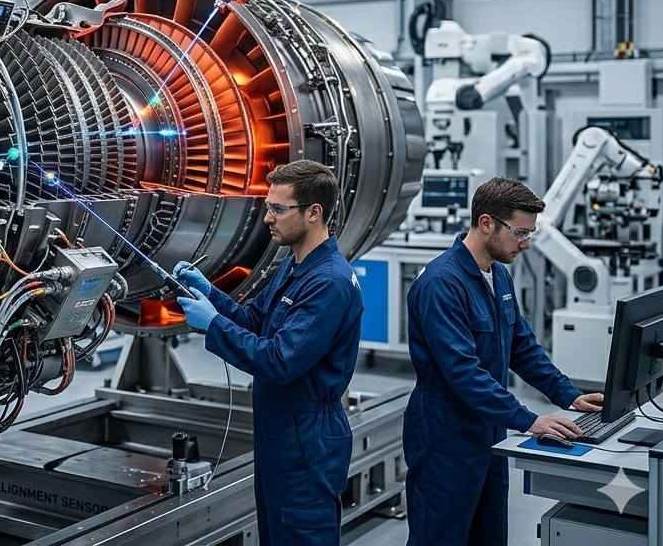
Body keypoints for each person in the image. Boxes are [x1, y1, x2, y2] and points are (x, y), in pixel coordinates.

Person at [403, 176, 603, 546]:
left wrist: (570, 395)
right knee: (441, 536)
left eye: (530, 234)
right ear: (486, 223)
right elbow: (463, 372)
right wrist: (529, 420)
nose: (526, 244)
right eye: (520, 233)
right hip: (446, 434)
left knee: (489, 535)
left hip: (490, 429)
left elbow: (521, 346)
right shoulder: (441, 284)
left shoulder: (499, 275)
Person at [176, 160, 362, 546]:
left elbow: (279, 361)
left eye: (278, 208)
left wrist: (213, 324)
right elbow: (255, 320)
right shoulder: (295, 265)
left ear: (314, 213)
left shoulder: (328, 282)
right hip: (282, 431)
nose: (267, 218)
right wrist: (211, 295)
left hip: (307, 439)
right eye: (268, 206)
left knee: (301, 533)